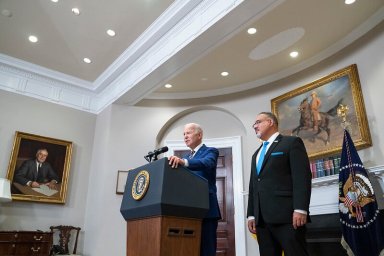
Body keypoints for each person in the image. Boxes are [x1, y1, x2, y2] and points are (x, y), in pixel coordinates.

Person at [247, 112, 312, 256]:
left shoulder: (291, 143)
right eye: (254, 124)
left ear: (271, 122)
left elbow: (302, 177)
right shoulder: (256, 154)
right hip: (262, 220)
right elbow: (253, 186)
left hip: (288, 217)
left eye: (258, 122)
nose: (255, 126)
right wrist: (251, 214)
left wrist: (301, 209)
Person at [168, 123, 221, 256]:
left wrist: (184, 163)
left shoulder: (210, 151)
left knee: (207, 250)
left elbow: (207, 163)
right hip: (187, 210)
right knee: (189, 249)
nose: (185, 136)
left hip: (207, 209)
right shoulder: (185, 157)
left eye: (189, 133)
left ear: (199, 135)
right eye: (184, 134)